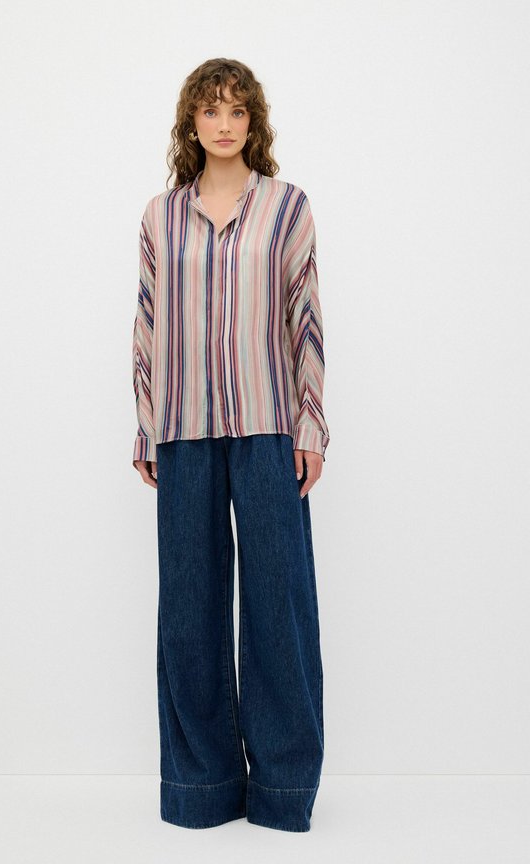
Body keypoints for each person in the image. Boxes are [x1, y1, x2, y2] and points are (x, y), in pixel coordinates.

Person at [131, 58, 330, 832]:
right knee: (189, 610)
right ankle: (201, 787)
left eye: (237, 111)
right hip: (182, 427)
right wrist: (146, 424)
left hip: (268, 422)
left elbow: (305, 320)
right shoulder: (160, 216)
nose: (224, 124)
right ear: (191, 121)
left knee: (280, 605)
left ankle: (282, 790)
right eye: (211, 110)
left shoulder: (286, 208)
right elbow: (148, 322)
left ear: (254, 123)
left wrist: (310, 424)